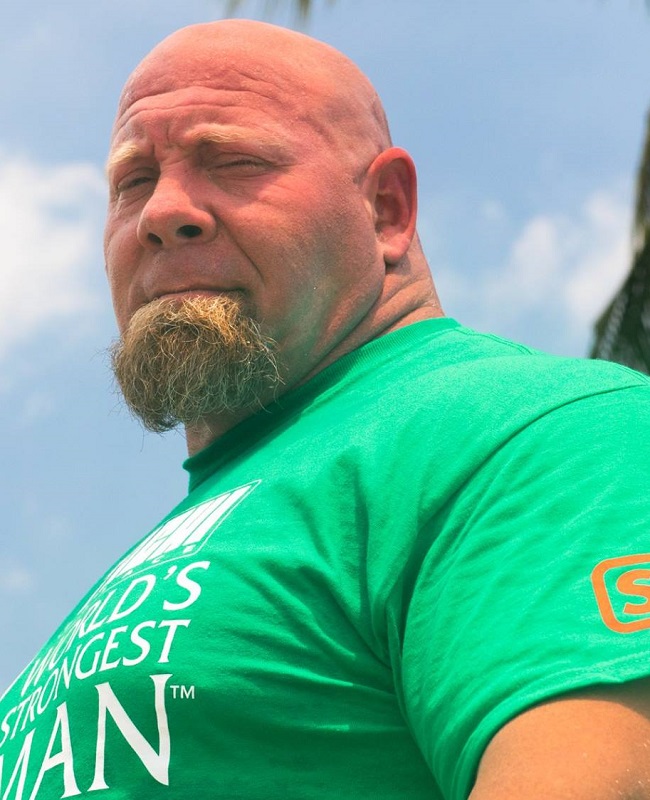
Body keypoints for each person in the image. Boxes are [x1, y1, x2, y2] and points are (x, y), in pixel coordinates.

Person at [2, 19, 650, 800]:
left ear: (386, 209)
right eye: (133, 180)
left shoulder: (544, 433)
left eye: (234, 162)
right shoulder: (174, 538)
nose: (162, 212)